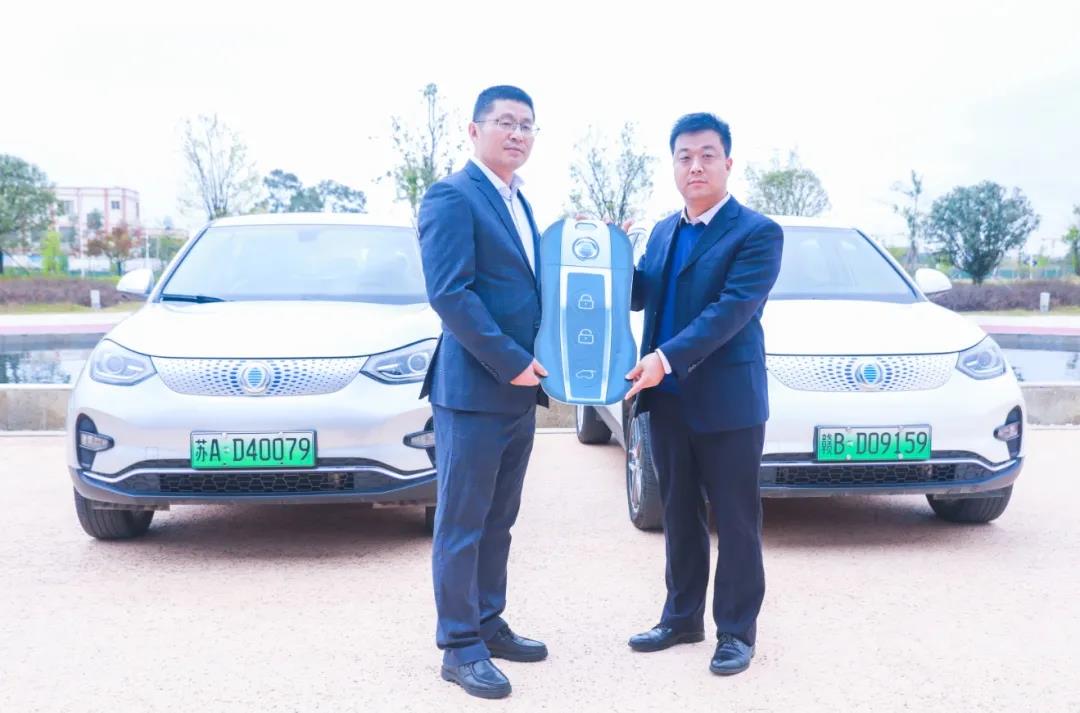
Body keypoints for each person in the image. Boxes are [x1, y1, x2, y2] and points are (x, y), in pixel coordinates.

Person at [623, 112, 784, 676]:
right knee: (678, 512)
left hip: (728, 402)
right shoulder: (662, 232)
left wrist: (665, 359)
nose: (695, 166)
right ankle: (681, 618)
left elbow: (730, 311)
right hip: (666, 399)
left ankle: (736, 632)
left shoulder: (757, 233)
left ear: (728, 163)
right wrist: (602, 251)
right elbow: (639, 293)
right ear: (673, 165)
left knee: (736, 520)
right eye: (684, 156)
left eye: (707, 155)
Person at [416, 84, 548, 700]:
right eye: (505, 122)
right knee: (462, 523)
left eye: (527, 125)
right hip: (473, 391)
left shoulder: (521, 202)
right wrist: (511, 361)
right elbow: (450, 293)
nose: (517, 134)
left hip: (518, 394)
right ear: (474, 131)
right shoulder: (452, 196)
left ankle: (489, 622)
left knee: (500, 520)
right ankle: (460, 645)